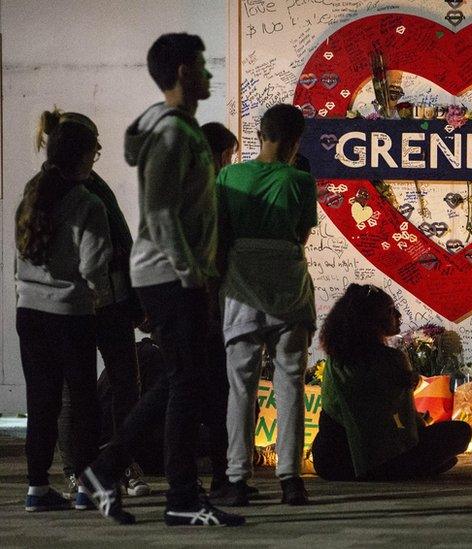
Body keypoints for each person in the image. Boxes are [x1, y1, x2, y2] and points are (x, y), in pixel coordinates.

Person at [82, 32, 244, 527]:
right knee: (184, 383)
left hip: (172, 275)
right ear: (181, 73)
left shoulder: (176, 128)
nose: (209, 73)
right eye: (201, 64)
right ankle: (159, 487)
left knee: (181, 382)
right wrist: (192, 273)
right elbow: (159, 209)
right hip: (171, 276)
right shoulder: (174, 135)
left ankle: (130, 477)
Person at [35, 111, 151, 503]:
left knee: (119, 384)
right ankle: (78, 471)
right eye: (94, 145)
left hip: (107, 301)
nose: (99, 152)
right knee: (76, 389)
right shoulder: (56, 191)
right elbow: (98, 254)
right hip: (87, 303)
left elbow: (120, 245)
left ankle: (117, 463)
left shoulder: (89, 186)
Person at [213, 104, 317, 506]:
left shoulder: (228, 176)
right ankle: (291, 479)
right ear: (295, 142)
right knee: (290, 381)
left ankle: (237, 478)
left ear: (261, 134)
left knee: (240, 386)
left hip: (241, 283)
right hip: (287, 286)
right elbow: (300, 236)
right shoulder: (301, 181)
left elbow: (220, 235)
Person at [15, 118, 110, 513]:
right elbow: (93, 265)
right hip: (71, 315)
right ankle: (86, 489)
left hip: (29, 313)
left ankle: (37, 489)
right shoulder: (88, 203)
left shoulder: (30, 195)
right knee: (83, 403)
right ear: (83, 157)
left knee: (41, 404)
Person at [310, 284, 472, 481]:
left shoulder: (334, 360)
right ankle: (405, 469)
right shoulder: (390, 359)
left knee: (443, 453)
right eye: (390, 311)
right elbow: (405, 427)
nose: (398, 315)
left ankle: (415, 466)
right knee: (461, 432)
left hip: (329, 462)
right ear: (372, 320)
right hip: (377, 460)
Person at [198, 120, 239, 499]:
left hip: (192, 305)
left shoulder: (183, 188)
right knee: (213, 396)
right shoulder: (211, 193)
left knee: (196, 394)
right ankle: (219, 477)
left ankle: (209, 478)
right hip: (206, 307)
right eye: (229, 156)